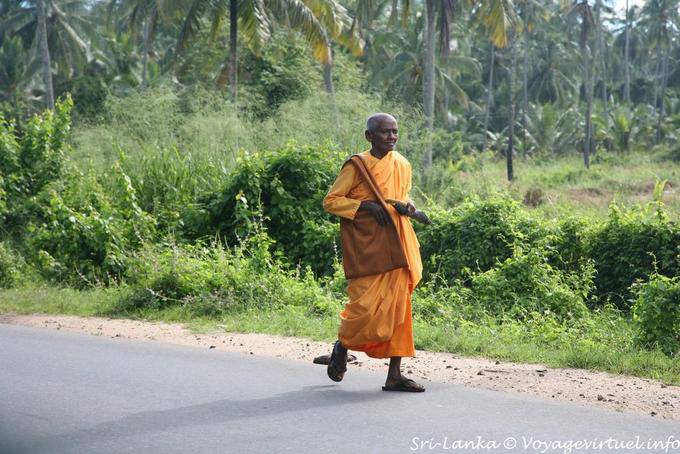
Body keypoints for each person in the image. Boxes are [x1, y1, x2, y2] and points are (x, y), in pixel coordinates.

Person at [322, 113, 425, 392]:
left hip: (398, 242)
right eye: (384, 132)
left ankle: (394, 374)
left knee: (399, 309)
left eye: (394, 132)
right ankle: (343, 345)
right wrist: (365, 206)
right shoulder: (357, 166)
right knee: (364, 308)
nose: (391, 137)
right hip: (369, 246)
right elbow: (331, 201)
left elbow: (403, 195)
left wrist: (408, 208)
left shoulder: (402, 164)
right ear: (369, 136)